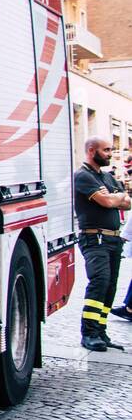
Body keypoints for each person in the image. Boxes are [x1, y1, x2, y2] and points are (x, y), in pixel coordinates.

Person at [74, 137, 130, 352]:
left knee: (110, 286)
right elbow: (107, 202)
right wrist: (115, 198)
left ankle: (100, 330)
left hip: (113, 239)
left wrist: (116, 196)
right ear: (91, 150)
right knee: (100, 282)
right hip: (94, 238)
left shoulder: (106, 177)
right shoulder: (83, 176)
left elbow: (127, 201)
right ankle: (88, 333)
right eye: (106, 150)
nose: (110, 153)